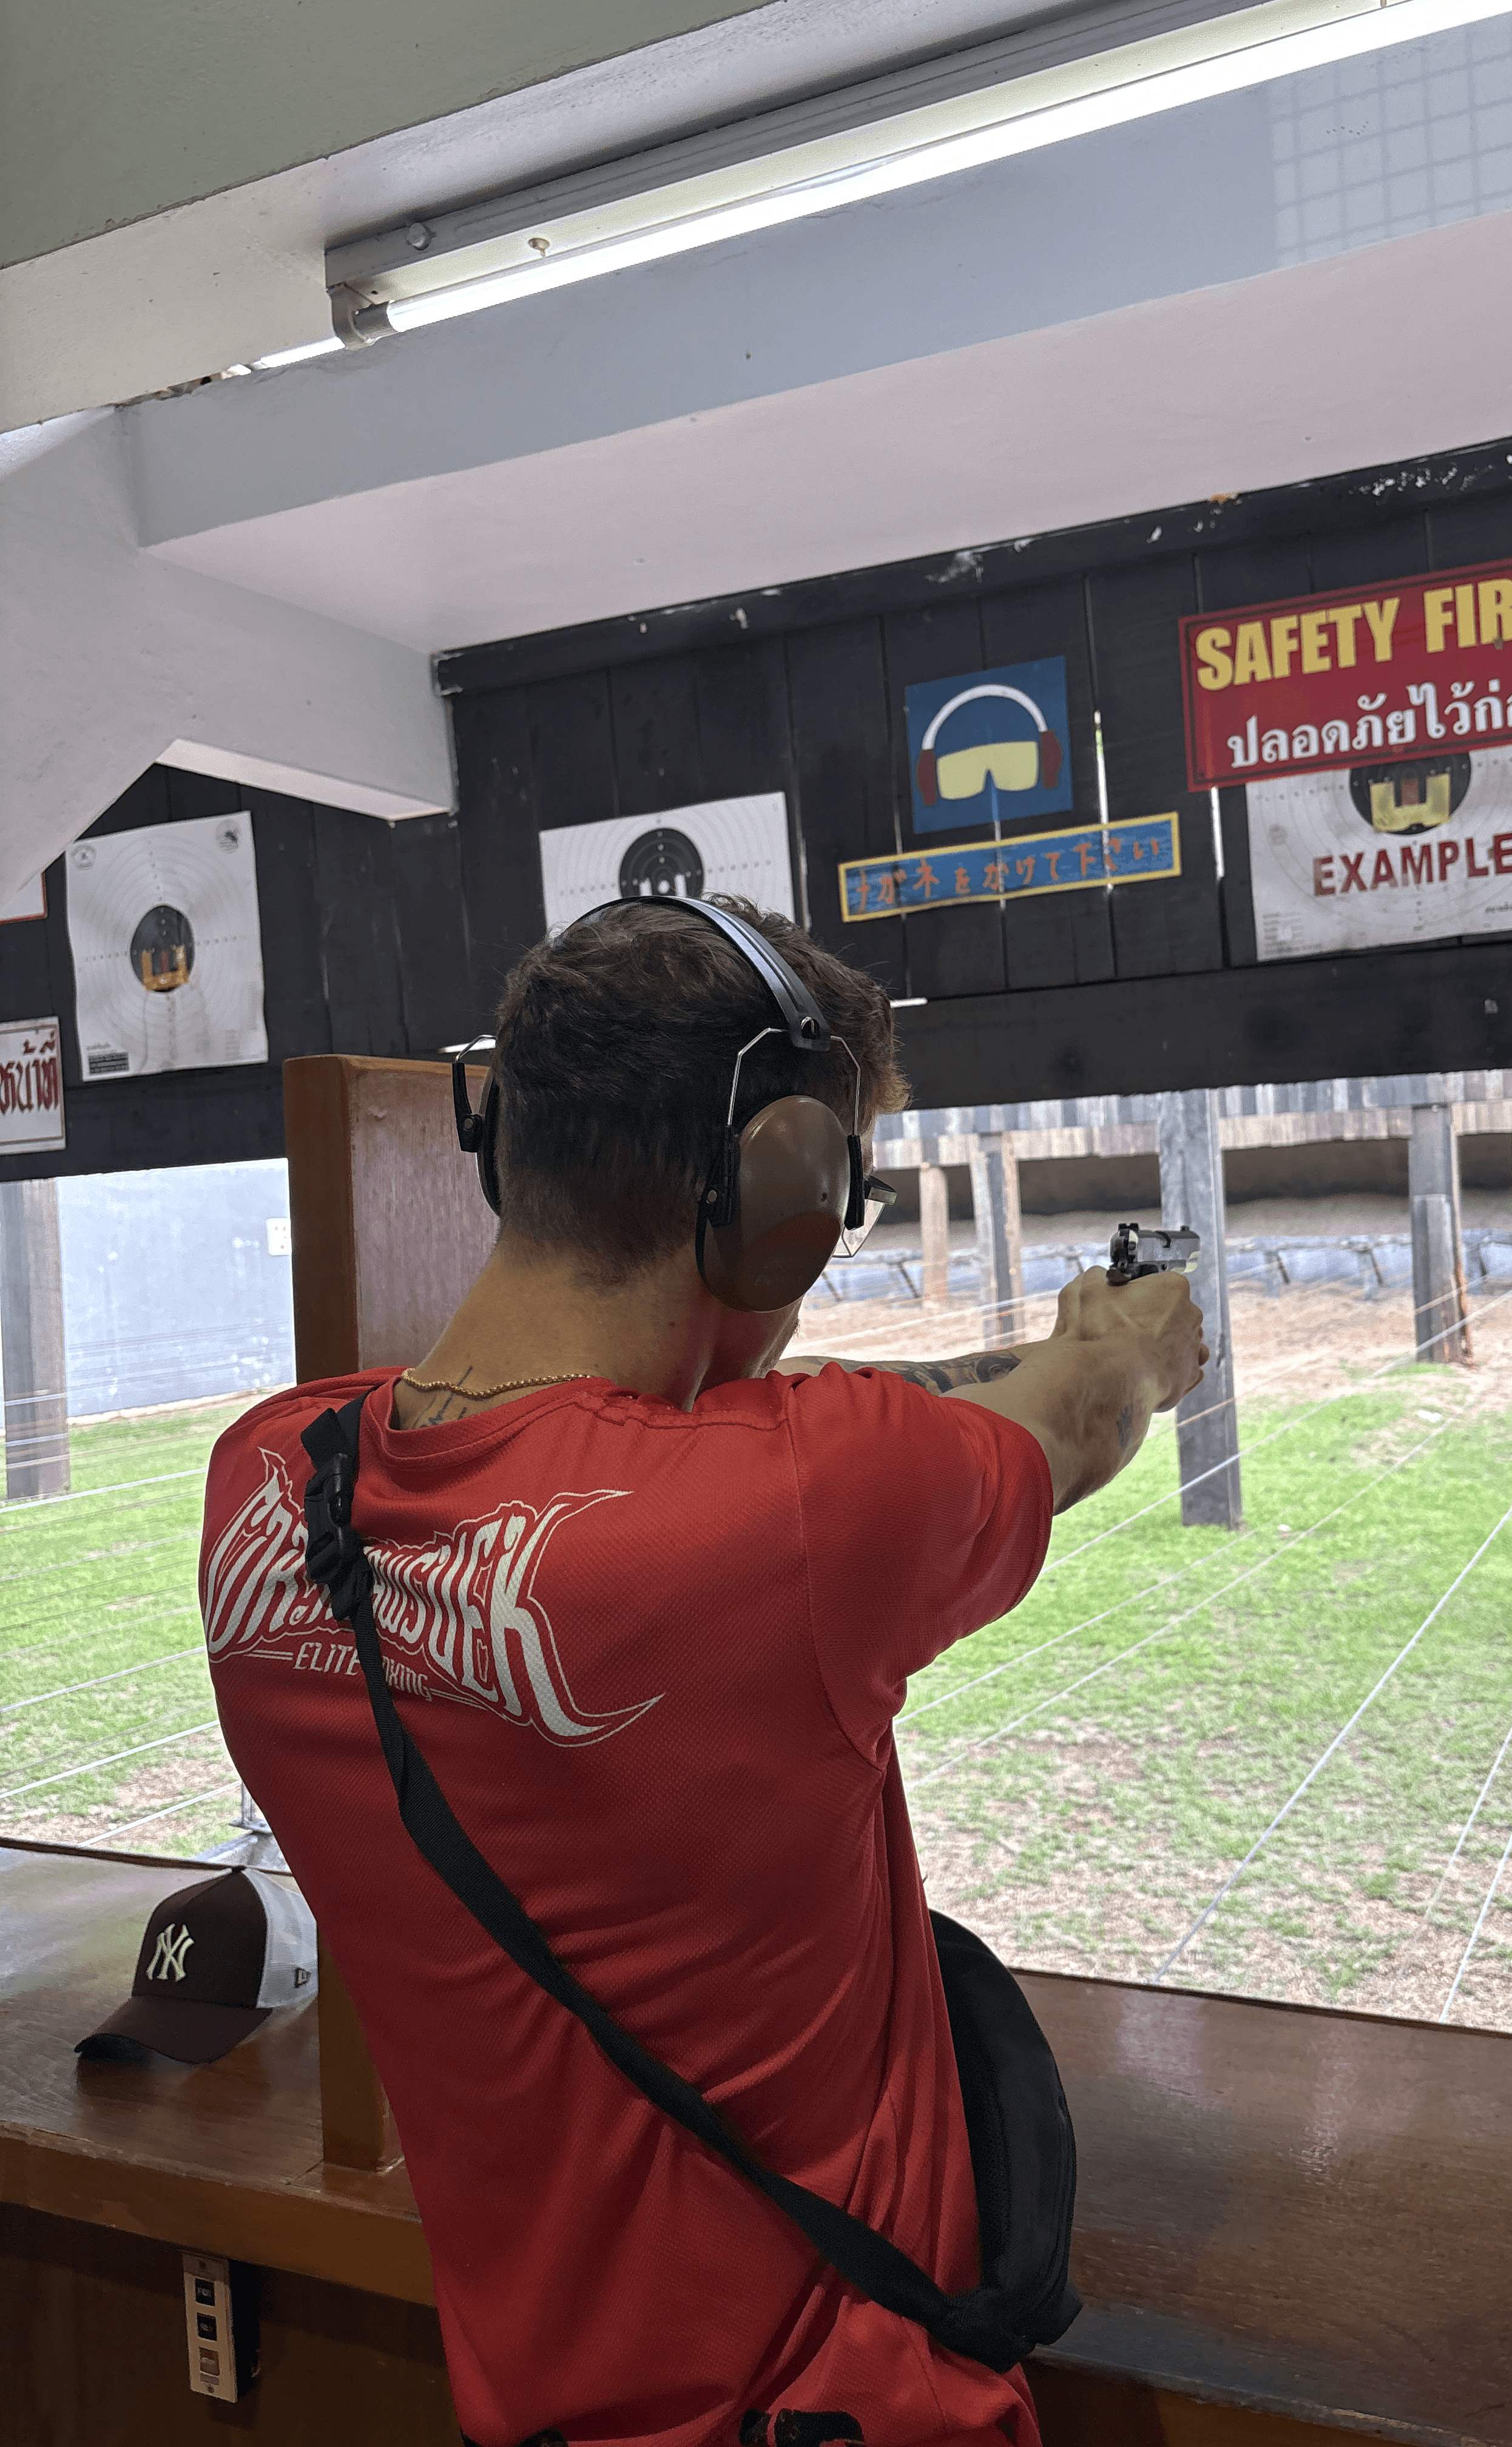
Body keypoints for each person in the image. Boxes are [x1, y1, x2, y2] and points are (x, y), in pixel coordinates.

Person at [203, 898, 1204, 2447]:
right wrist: (1132, 1343)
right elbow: (1079, 1415)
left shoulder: (273, 1481)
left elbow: (737, 1434)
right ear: (778, 1193)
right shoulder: (802, 1512)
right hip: (840, 2419)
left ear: (502, 1140)